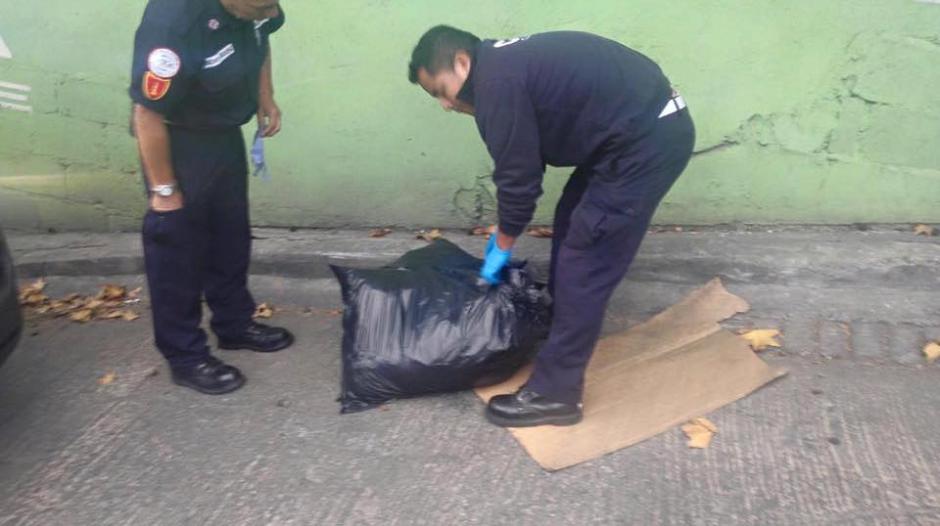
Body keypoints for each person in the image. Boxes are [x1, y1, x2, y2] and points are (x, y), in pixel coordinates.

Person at [408, 26, 696, 427]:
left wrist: (503, 241)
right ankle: (564, 321)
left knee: (586, 256)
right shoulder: (499, 69)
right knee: (571, 219)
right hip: (629, 133)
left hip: (645, 142)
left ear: (461, 62)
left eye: (441, 90)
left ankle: (555, 394)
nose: (444, 104)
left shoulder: (497, 84)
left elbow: (520, 178)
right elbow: (525, 159)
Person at [129, 0, 293, 395]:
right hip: (178, 142)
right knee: (177, 250)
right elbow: (146, 114)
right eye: (260, 7)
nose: (270, 12)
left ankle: (234, 324)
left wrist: (264, 97)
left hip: (223, 136)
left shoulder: (258, 7)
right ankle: (185, 356)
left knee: (231, 238)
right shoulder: (172, 23)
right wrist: (164, 191)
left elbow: (261, 38)